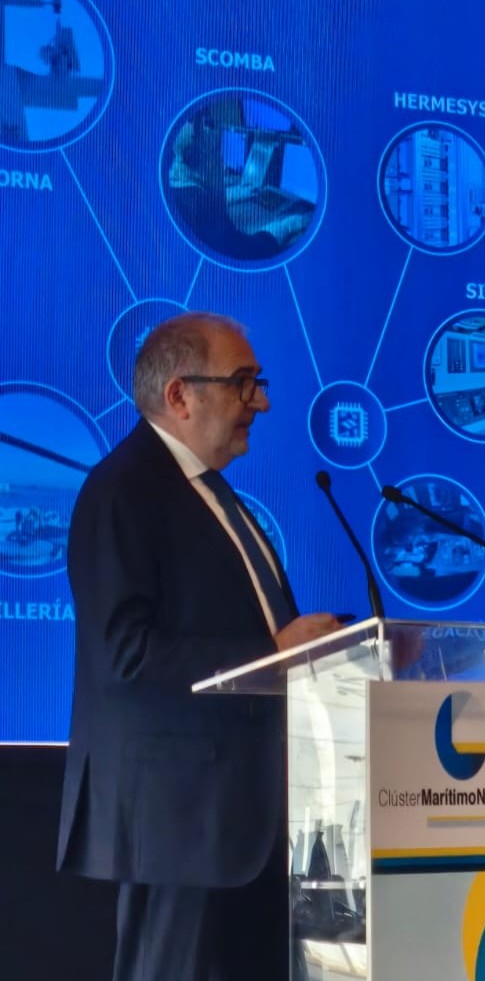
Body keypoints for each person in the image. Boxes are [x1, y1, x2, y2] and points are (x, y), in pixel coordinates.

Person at [55, 312, 341, 981]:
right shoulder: (124, 489)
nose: (261, 402)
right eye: (243, 383)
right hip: (181, 822)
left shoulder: (211, 493)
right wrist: (271, 651)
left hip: (248, 821)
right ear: (179, 394)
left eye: (258, 383)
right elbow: (124, 653)